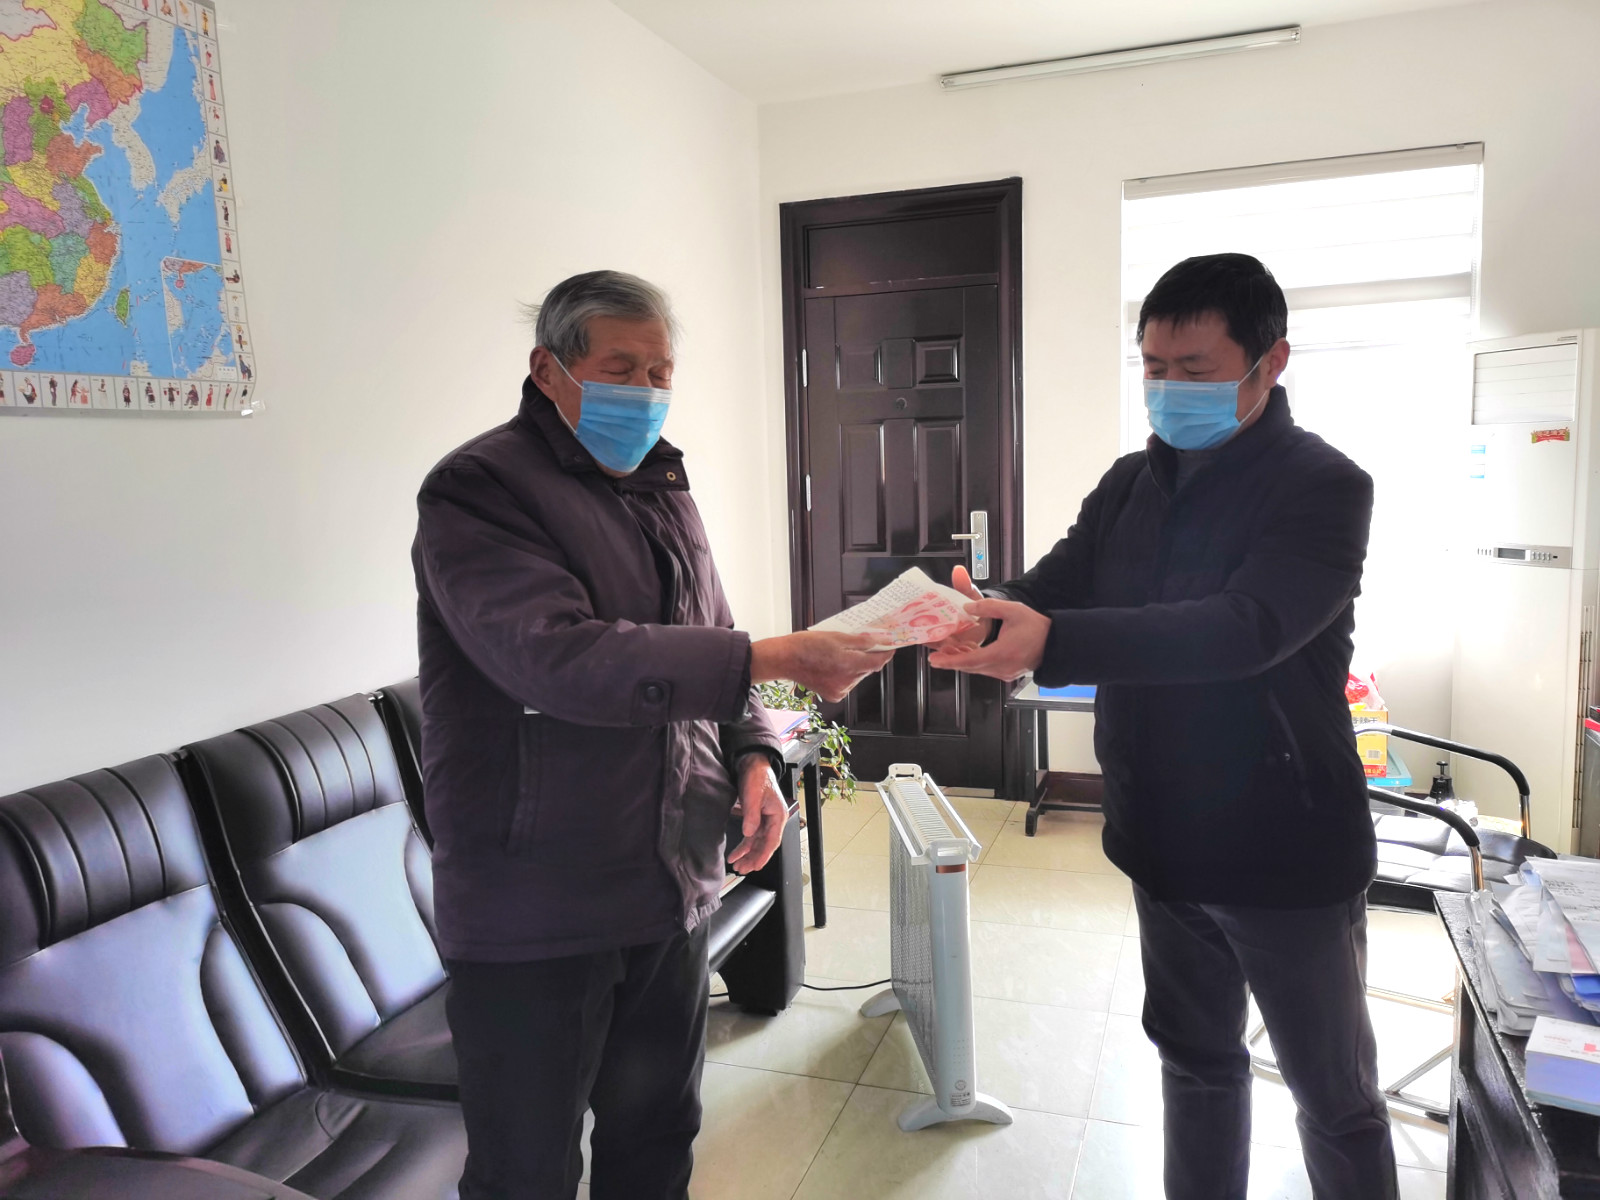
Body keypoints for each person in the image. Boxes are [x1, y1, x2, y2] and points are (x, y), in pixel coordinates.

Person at [413, 269, 890, 1200]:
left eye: (660, 371)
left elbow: (710, 629)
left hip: (668, 882)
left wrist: (754, 754)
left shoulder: (662, 482)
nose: (645, 391)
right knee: (526, 1172)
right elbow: (562, 660)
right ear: (548, 369)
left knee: (657, 1138)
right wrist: (779, 655)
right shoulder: (478, 490)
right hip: (538, 906)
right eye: (620, 368)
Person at [930, 253, 1393, 1200]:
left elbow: (1246, 629)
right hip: (1162, 839)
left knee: (1333, 1096)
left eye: (1195, 369)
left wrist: (1054, 641)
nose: (1168, 388)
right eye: (1152, 367)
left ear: (1271, 362)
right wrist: (983, 609)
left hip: (1285, 850)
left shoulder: (1323, 485)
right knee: (1196, 1063)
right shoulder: (1129, 484)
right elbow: (1055, 588)